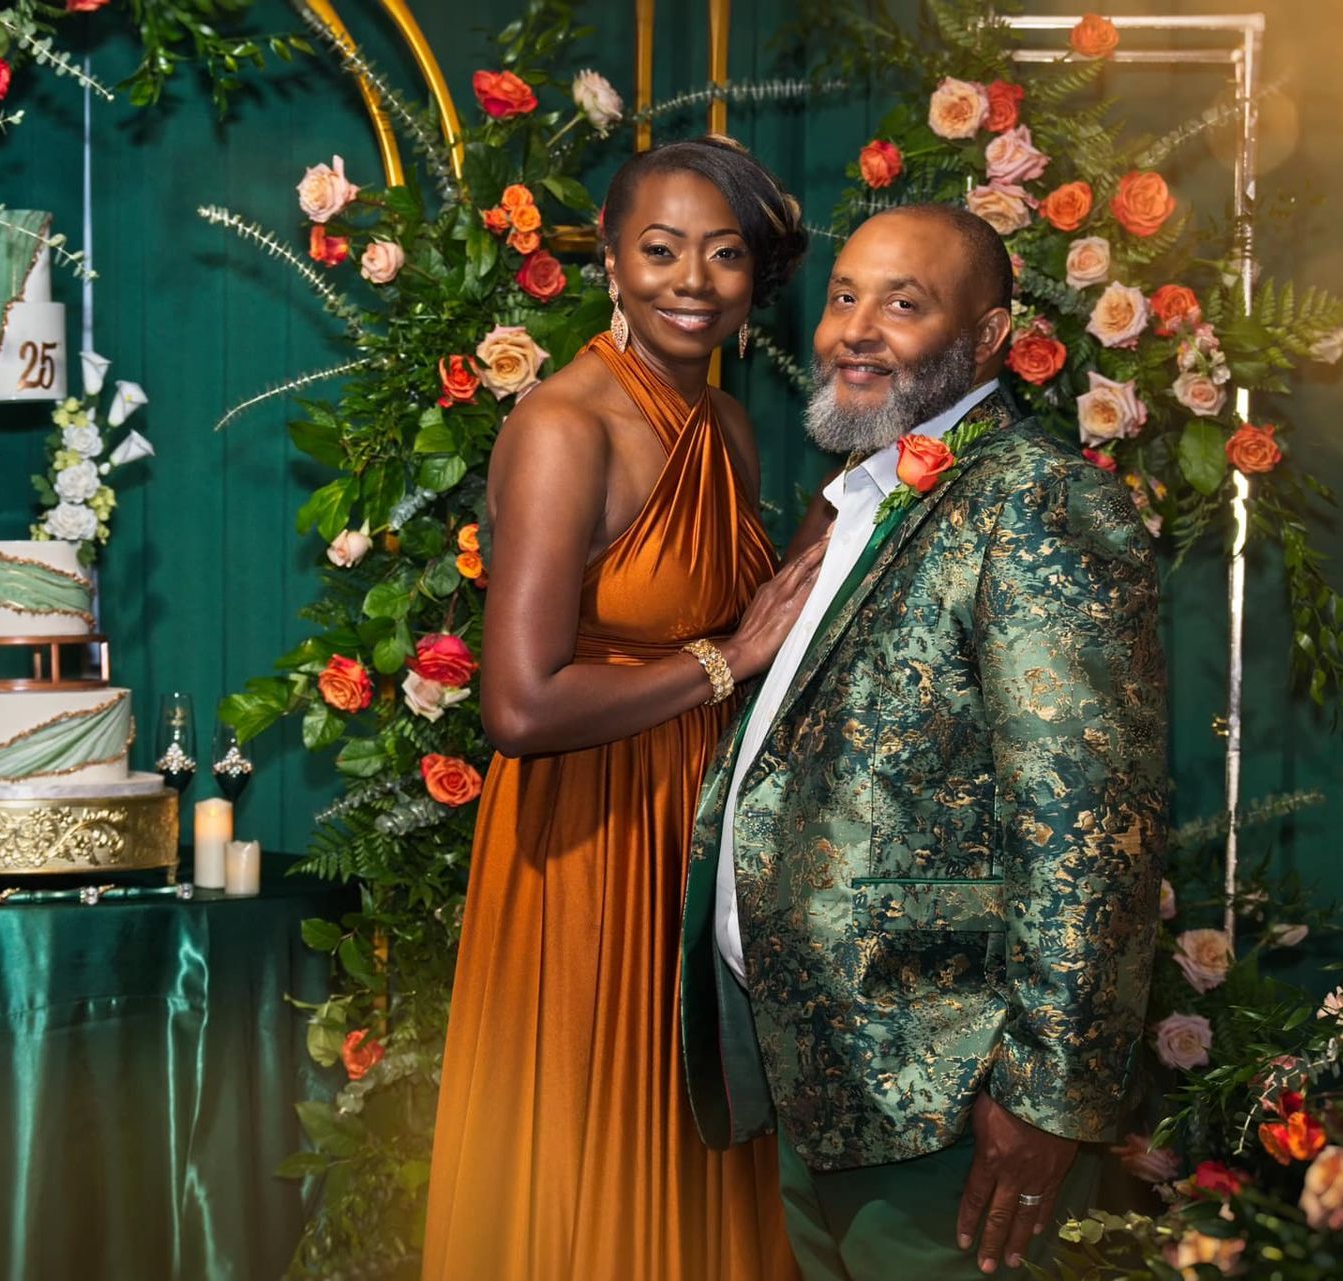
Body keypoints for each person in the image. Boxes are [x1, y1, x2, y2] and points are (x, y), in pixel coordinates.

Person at [677, 204, 1169, 1279]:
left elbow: (1092, 831)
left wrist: (1047, 1100)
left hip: (953, 1111)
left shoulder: (1039, 503)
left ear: (989, 339)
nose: (857, 328)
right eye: (845, 296)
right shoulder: (860, 498)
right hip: (831, 1087)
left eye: (904, 304)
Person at [421, 136, 815, 1281]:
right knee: (598, 1149)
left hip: (696, 827)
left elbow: (741, 618)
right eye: (659, 249)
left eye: (724, 254)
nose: (691, 279)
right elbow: (520, 704)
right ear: (608, 259)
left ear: (756, 280)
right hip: (589, 839)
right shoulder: (564, 427)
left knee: (696, 1142)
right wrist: (726, 662)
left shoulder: (729, 427)